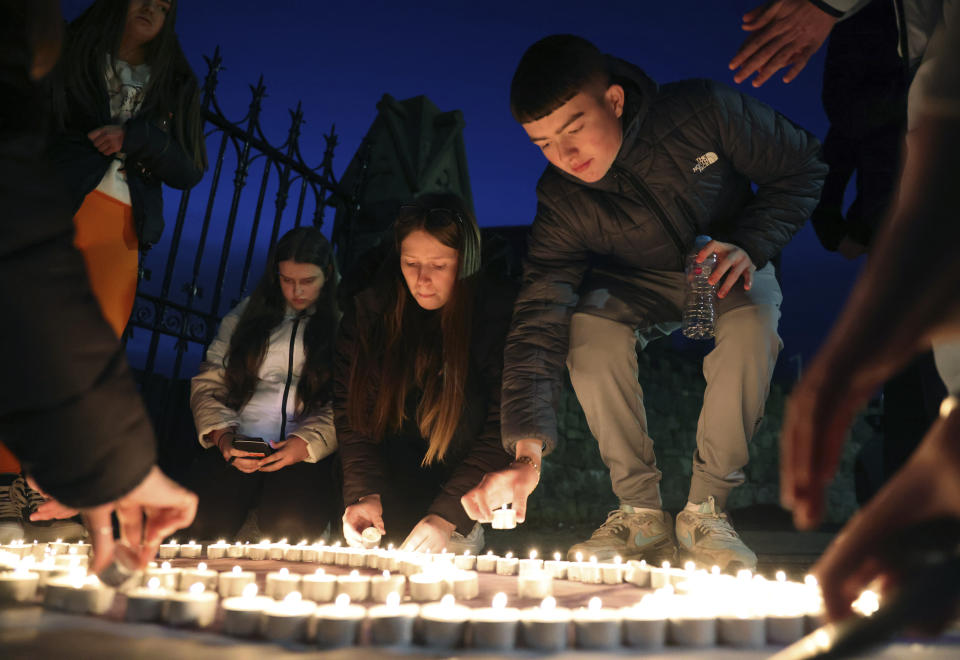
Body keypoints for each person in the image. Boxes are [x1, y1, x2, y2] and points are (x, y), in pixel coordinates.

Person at [461, 34, 826, 572]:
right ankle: (639, 515)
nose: (564, 156)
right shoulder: (561, 198)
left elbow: (802, 164)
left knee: (752, 326)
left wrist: (751, 242)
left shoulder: (701, 110)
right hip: (636, 283)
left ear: (613, 100)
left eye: (574, 129)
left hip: (728, 259)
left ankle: (707, 513)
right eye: (542, 144)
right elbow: (539, 316)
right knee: (588, 330)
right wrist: (525, 451)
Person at [0, 0, 197, 571]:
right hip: (58, 201)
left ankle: (41, 482)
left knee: (75, 334)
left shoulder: (175, 81)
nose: (150, 10)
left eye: (165, 5)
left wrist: (140, 139)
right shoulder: (69, 54)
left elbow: (190, 163)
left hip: (115, 219)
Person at [781, 11, 960, 620]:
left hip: (917, 213)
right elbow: (842, 144)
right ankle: (919, 493)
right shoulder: (867, 59)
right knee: (913, 373)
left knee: (919, 358)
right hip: (898, 218)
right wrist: (838, 227)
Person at [336, 195, 516, 554]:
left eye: (439, 265)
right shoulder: (372, 314)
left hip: (456, 502)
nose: (422, 280)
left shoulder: (492, 320)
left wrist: (449, 515)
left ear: (465, 263)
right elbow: (351, 413)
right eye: (411, 263)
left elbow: (503, 423)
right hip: (380, 503)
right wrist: (363, 492)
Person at [184, 227, 341, 541]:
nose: (296, 291)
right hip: (242, 442)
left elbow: (350, 399)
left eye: (307, 281)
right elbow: (210, 381)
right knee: (200, 527)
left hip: (304, 450)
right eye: (287, 280)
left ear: (327, 275)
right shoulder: (245, 316)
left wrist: (308, 443)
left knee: (291, 527)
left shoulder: (344, 322)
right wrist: (224, 436)